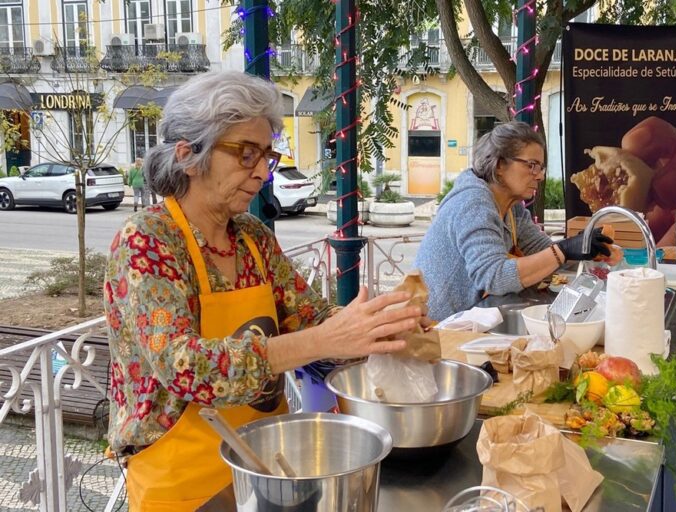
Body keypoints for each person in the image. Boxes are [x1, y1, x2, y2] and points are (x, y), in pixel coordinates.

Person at [104, 70, 422, 511]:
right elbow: (183, 367)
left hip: (264, 462)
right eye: (245, 154)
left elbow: (308, 316)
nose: (260, 171)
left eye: (266, 156)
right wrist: (321, 341)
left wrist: (381, 327)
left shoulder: (252, 236)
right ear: (188, 154)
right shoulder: (148, 241)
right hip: (180, 480)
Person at [414, 121, 613, 321]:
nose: (541, 176)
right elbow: (494, 277)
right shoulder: (473, 203)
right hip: (437, 328)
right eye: (532, 165)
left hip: (468, 318)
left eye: (542, 167)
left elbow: (540, 250)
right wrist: (564, 250)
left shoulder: (511, 206)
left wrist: (583, 248)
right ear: (500, 165)